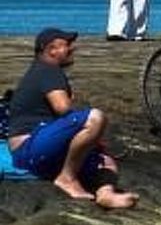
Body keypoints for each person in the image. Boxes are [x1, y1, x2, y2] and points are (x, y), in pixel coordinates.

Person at [6, 28, 137, 209]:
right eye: (66, 45)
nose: (72, 48)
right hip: (29, 149)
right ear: (51, 49)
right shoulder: (48, 70)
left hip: (40, 149)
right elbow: (63, 108)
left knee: (105, 161)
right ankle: (67, 178)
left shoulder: (43, 70)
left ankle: (105, 194)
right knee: (95, 118)